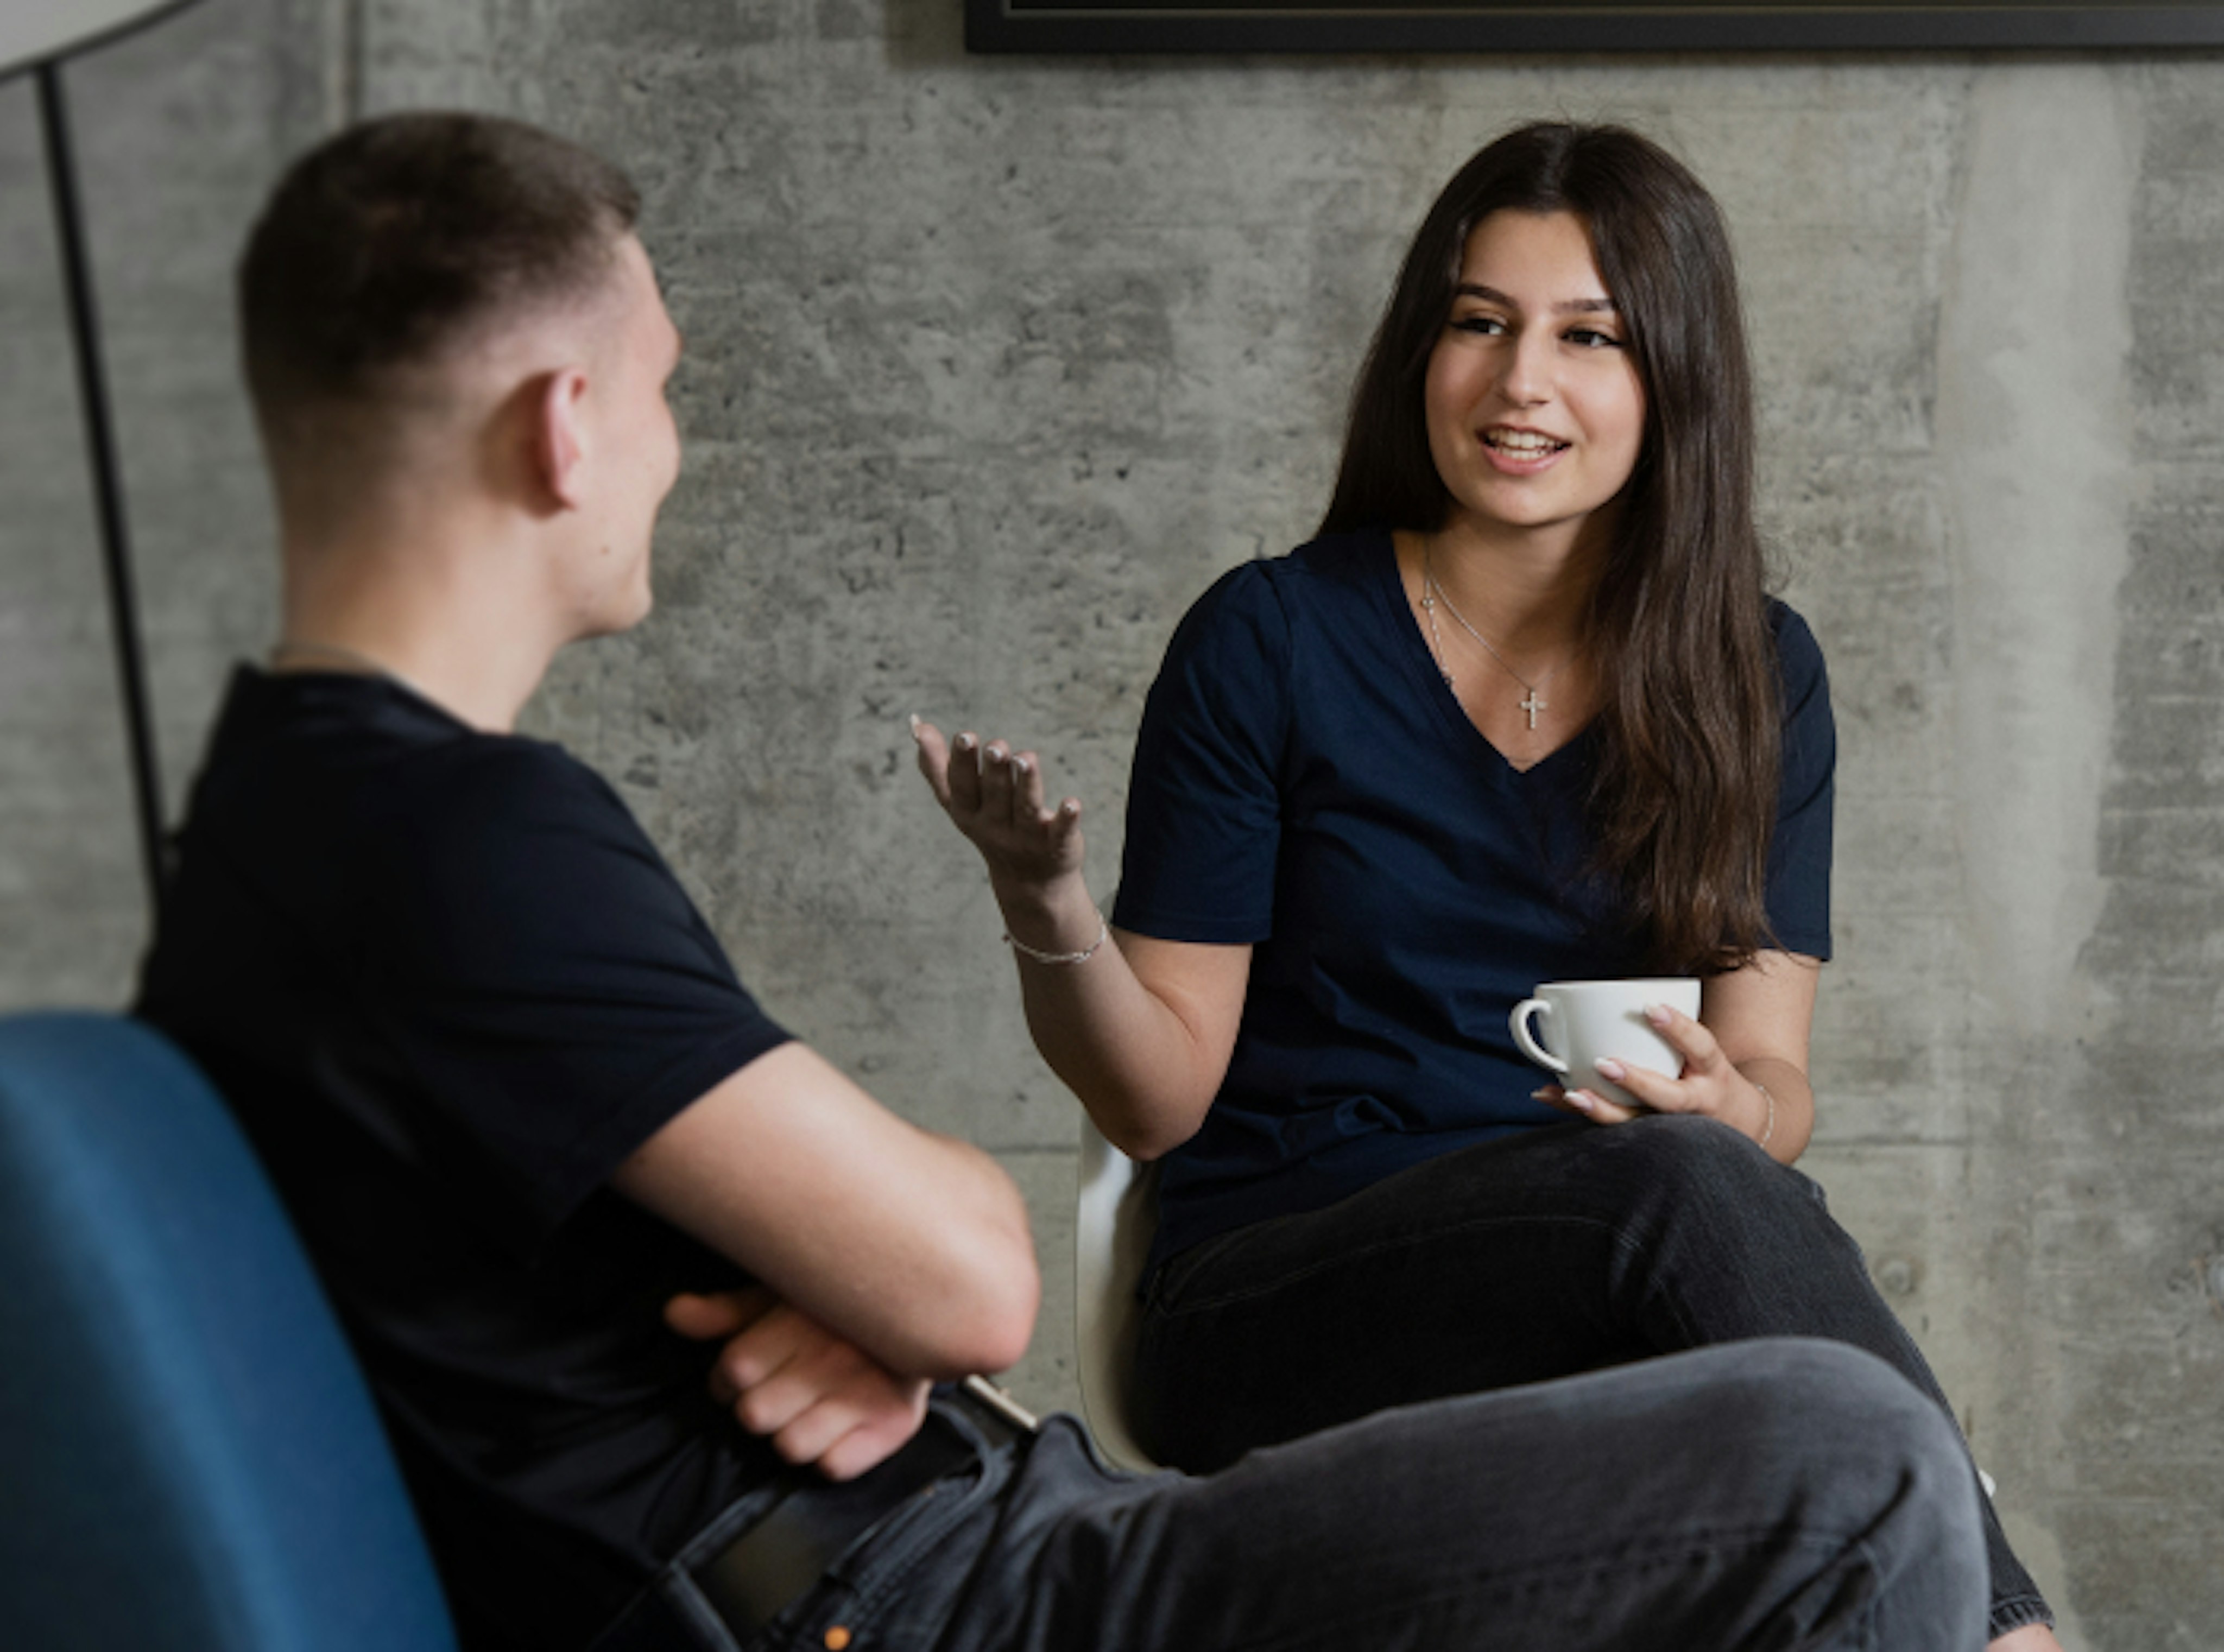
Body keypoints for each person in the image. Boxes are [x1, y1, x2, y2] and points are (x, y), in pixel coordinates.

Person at [137, 111, 1992, 1652]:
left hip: (943, 1518)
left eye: (1590, 335)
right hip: (947, 1568)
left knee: (1798, 1382)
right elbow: (972, 1266)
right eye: (665, 389)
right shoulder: (470, 843)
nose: (675, 445)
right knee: (1854, 1456)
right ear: (563, 426)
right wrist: (895, 1281)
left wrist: (843, 1309)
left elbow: (600, 1249)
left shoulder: (288, 833)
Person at [915, 121, 2061, 1651]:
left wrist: (1738, 1111)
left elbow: (1772, 1083)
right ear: (1422, 351)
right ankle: (2021, 1640)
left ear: (1673, 384)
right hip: (1277, 1293)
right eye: (1481, 323)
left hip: (1616, 1275)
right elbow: (1157, 1104)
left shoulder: (1755, 675)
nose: (1522, 383)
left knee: (1793, 1390)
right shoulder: (1268, 641)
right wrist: (1048, 903)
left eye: (1588, 337)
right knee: (1715, 1244)